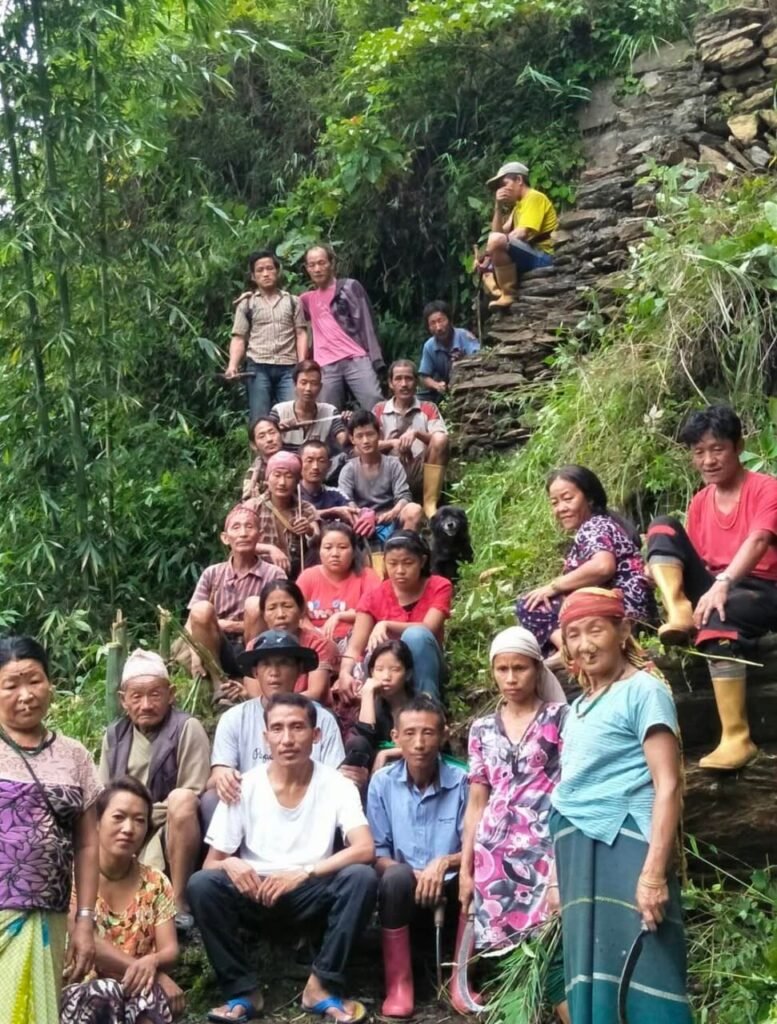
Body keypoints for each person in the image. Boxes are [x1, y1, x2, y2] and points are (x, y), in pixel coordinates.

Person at [188, 692, 378, 1024]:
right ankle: (242, 990)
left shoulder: (336, 785)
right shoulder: (244, 786)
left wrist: (305, 872)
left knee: (361, 877)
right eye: (277, 729)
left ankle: (321, 985)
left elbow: (364, 848)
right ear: (266, 736)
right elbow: (211, 864)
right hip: (255, 891)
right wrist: (230, 863)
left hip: (310, 891)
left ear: (316, 736)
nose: (287, 739)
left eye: (297, 728)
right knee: (202, 884)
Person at [550, 587, 691, 1024]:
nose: (585, 644)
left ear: (623, 630)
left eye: (596, 629)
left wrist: (651, 876)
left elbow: (668, 785)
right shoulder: (578, 707)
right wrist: (555, 879)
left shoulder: (644, 691)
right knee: (594, 974)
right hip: (579, 855)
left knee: (647, 970)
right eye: (574, 634)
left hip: (625, 845)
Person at [647, 404, 777, 770]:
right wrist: (662, 569)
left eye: (716, 449)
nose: (707, 460)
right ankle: (678, 611)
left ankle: (737, 737)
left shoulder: (766, 489)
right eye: (698, 452)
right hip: (717, 585)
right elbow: (700, 559)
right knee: (662, 528)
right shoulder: (702, 500)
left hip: (763, 588)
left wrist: (722, 583)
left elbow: (759, 541)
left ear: (739, 446)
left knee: (723, 609)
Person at [459, 627, 568, 1021]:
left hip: (544, 849)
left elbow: (569, 789)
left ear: (537, 669)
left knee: (552, 945)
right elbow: (476, 802)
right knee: (508, 952)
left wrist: (559, 861)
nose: (510, 678)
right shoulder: (482, 729)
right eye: (502, 669)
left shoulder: (561, 719)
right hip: (494, 856)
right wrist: (468, 868)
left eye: (519, 668)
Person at [0, 635, 99, 1023]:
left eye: (34, 680)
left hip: (48, 918)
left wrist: (86, 919)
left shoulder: (75, 756)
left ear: (50, 683)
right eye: (11, 685)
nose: (26, 694)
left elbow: (88, 844)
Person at [367, 696, 467, 1018]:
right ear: (395, 737)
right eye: (409, 733)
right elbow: (378, 852)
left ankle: (461, 980)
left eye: (428, 732)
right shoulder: (382, 783)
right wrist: (413, 874)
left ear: (444, 734)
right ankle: (399, 985)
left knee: (477, 872)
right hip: (404, 891)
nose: (420, 743)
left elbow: (476, 845)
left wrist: (444, 864)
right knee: (394, 875)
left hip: (451, 888)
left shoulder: (463, 782)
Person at [97, 650, 210, 931]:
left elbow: (193, 790)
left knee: (181, 800)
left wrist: (142, 817)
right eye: (136, 696)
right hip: (126, 823)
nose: (146, 704)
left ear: (171, 694)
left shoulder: (186, 728)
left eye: (155, 694)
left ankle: (179, 902)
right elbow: (103, 795)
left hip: (170, 827)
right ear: (123, 700)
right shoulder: (114, 736)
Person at [60, 777, 185, 1023]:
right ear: (96, 822)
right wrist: (154, 974)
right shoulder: (71, 874)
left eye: (139, 820)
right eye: (118, 817)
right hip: (78, 991)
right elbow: (88, 942)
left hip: (133, 988)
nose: (129, 828)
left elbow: (170, 949)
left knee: (150, 996)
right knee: (107, 992)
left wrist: (154, 961)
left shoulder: (156, 882)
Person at [200, 631, 346, 831]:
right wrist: (225, 777)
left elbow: (337, 779)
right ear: (255, 672)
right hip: (248, 810)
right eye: (266, 664)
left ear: (299, 670)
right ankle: (226, 859)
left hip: (308, 811)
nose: (274, 672)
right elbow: (218, 773)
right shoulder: (234, 718)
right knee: (211, 799)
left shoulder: (323, 720)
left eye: (284, 663)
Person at [517, 465, 655, 661]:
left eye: (568, 498)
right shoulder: (603, 524)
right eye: (555, 503)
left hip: (620, 608)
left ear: (589, 498)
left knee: (530, 604)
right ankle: (565, 649)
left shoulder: (593, 526)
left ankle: (567, 651)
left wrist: (553, 586)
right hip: (628, 610)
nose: (561, 508)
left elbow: (603, 566)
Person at [184, 503, 285, 700]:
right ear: (225, 538)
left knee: (255, 605)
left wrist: (229, 624)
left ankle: (251, 683)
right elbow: (192, 620)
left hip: (257, 646)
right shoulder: (212, 573)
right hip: (216, 647)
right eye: (236, 527)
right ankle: (218, 685)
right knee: (201, 609)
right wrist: (195, 653)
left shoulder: (274, 574)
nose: (243, 533)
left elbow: (279, 620)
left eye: (249, 526)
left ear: (260, 535)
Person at [338, 531, 452, 701]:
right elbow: (355, 647)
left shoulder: (439, 586)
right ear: (384, 563)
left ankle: (428, 705)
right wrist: (344, 673)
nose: (400, 571)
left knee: (416, 635)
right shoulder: (373, 596)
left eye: (408, 563)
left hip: (428, 668)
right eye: (392, 563)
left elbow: (428, 627)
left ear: (422, 561)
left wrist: (386, 624)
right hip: (387, 676)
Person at [226, 249, 308, 425]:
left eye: (270, 268)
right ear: (253, 277)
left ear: (277, 271)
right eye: (260, 270)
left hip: (289, 367)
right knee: (260, 420)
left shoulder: (293, 302)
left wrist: (302, 365)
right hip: (257, 368)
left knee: (293, 415)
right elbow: (239, 337)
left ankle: (293, 452)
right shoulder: (247, 304)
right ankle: (259, 453)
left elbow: (301, 333)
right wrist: (232, 365)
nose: (265, 273)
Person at [300, 244, 384, 411]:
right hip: (325, 365)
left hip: (355, 357)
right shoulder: (306, 299)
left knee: (374, 401)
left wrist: (376, 359)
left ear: (332, 263)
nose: (317, 269)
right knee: (326, 412)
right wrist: (252, 295)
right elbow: (279, 303)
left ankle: (386, 436)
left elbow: (367, 323)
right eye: (312, 265)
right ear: (307, 269)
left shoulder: (349, 287)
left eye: (322, 263)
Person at [374, 359, 450, 519]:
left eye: (408, 378)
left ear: (416, 382)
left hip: (420, 469)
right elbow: (367, 444)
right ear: (390, 383)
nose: (404, 384)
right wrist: (392, 443)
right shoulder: (379, 409)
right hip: (389, 472)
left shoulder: (428, 408)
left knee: (440, 439)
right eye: (398, 379)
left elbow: (441, 439)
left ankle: (430, 504)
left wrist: (417, 433)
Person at [338, 411, 424, 543]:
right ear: (352, 439)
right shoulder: (348, 470)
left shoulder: (393, 464)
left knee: (414, 510)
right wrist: (364, 515)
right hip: (361, 521)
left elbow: (404, 496)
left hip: (390, 519)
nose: (365, 441)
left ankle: (405, 550)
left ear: (379, 435)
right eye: (359, 436)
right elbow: (347, 501)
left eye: (370, 434)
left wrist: (393, 512)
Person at [482, 161, 558, 309]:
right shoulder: (518, 207)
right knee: (493, 245)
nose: (501, 189)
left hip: (544, 257)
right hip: (530, 254)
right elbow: (497, 233)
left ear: (519, 180)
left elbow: (521, 233)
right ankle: (500, 291)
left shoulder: (534, 197)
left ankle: (508, 293)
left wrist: (491, 251)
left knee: (496, 242)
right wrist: (498, 207)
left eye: (504, 184)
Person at [297, 522, 381, 648]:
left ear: (353, 551)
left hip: (356, 643)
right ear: (319, 550)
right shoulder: (308, 576)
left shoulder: (367, 576)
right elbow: (297, 615)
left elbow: (376, 610)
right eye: (328, 547)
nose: (335, 553)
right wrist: (317, 637)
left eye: (342, 547)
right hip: (314, 645)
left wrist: (340, 616)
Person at [258, 580, 340, 703]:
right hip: (266, 715)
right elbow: (255, 694)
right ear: (263, 615)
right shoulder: (256, 646)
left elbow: (315, 693)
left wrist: (279, 705)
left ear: (302, 610)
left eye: (287, 606)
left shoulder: (318, 644)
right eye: (271, 608)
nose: (280, 614)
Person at [344, 639, 415, 771]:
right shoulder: (372, 704)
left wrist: (386, 754)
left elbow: (425, 743)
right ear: (371, 672)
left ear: (408, 674)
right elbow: (363, 744)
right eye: (379, 669)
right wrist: (367, 693)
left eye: (395, 669)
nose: (386, 676)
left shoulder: (420, 705)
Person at [251, 451, 319, 579]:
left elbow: (317, 535)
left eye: (288, 476)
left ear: (297, 481)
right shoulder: (253, 507)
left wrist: (309, 530)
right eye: (277, 475)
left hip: (297, 574)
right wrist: (270, 549)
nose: (282, 482)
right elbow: (240, 542)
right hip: (261, 575)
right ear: (267, 478)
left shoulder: (304, 508)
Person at [270, 360, 348, 455]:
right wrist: (278, 429)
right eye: (303, 383)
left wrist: (349, 426)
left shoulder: (330, 411)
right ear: (295, 385)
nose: (308, 389)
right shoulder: (279, 411)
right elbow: (267, 438)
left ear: (320, 387)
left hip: (316, 466)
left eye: (314, 383)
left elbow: (343, 441)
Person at [417, 301, 480, 402]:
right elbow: (424, 376)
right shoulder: (429, 346)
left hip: (469, 383)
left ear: (450, 320)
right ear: (428, 327)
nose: (438, 327)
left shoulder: (464, 336)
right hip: (444, 388)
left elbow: (479, 358)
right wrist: (436, 385)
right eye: (433, 323)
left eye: (441, 321)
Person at [300, 441, 357, 521]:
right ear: (299, 463)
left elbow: (352, 511)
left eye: (321, 461)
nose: (315, 467)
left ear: (329, 465)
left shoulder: (336, 494)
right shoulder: (292, 493)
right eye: (309, 461)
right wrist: (332, 512)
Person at [242, 417, 284, 501]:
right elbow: (246, 501)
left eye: (272, 433)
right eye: (262, 436)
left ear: (281, 435)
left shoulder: (296, 463)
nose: (269, 439)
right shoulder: (253, 473)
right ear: (253, 445)